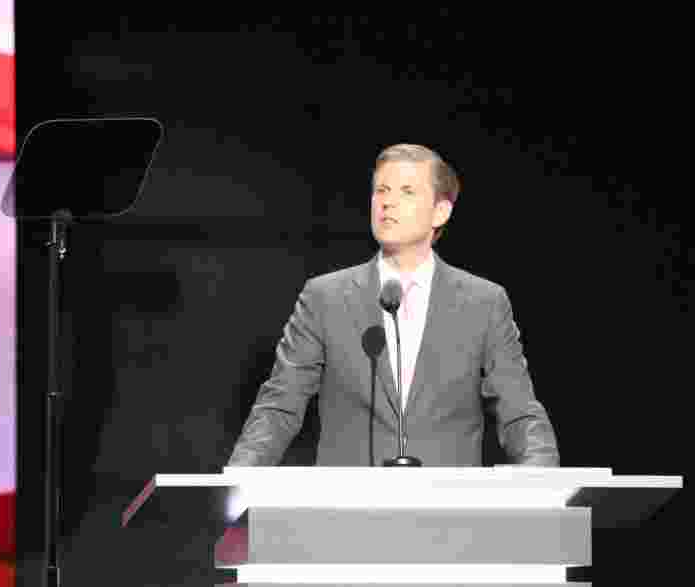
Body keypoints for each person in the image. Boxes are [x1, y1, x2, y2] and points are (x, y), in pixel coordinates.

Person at [226, 143, 559, 467]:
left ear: (441, 212)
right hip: (350, 500)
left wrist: (544, 480)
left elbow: (519, 413)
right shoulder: (324, 298)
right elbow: (279, 406)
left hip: (446, 502)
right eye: (381, 190)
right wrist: (238, 480)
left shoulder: (484, 303)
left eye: (407, 191)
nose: (388, 202)